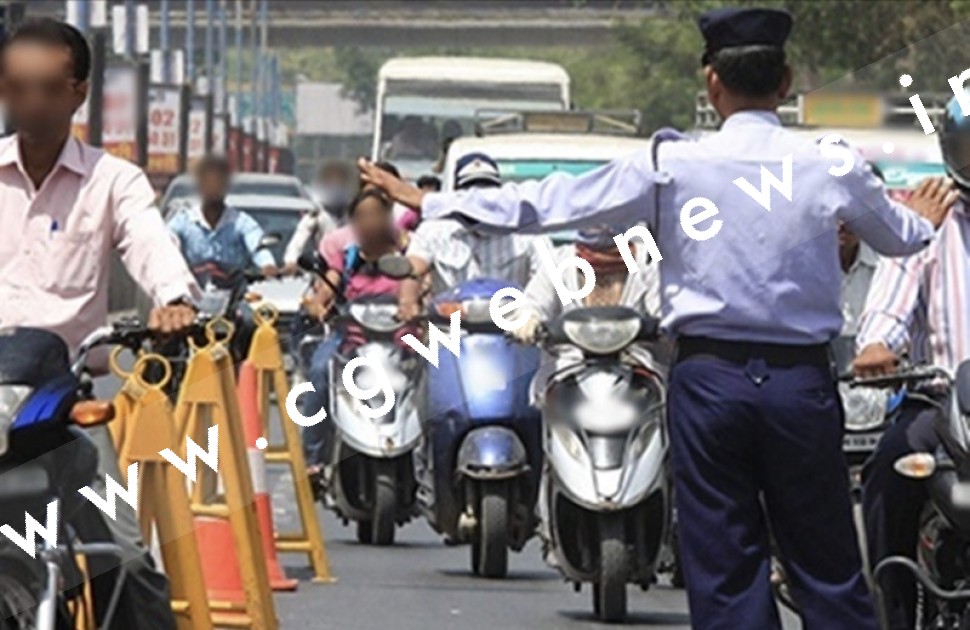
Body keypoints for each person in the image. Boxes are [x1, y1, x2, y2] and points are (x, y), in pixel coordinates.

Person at [359, 8, 955, 628]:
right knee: (826, 564)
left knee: (726, 566)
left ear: (712, 84)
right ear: (785, 82)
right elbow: (903, 237)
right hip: (798, 385)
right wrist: (923, 221)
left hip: (710, 382)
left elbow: (552, 202)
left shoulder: (672, 165)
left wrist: (432, 200)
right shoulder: (830, 162)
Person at [0, 19, 200, 630]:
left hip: (60, 411)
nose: (30, 102)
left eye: (47, 88)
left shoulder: (114, 181)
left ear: (78, 93)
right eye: (15, 86)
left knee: (126, 556)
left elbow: (150, 243)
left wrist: (174, 300)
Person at [854, 94, 970, 630]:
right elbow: (889, 302)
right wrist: (877, 346)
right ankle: (893, 611)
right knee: (888, 470)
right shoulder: (929, 219)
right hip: (941, 407)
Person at [299, 189, 412, 481]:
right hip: (351, 341)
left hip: (400, 344)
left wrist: (416, 307)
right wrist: (318, 305)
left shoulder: (407, 254)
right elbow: (326, 289)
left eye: (376, 214)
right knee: (320, 370)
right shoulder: (347, 258)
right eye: (362, 216)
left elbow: (419, 286)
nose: (369, 222)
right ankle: (314, 457)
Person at [396, 152, 553, 321]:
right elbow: (414, 267)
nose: (479, 199)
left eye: (487, 191)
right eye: (470, 192)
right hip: (449, 326)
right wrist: (408, 302)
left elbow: (549, 276)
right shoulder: (433, 230)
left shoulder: (527, 233)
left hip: (512, 328)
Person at [167, 155, 279, 281]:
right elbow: (166, 243)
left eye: (218, 183)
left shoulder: (241, 223)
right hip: (190, 291)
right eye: (208, 182)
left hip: (234, 290)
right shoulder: (183, 222)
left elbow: (257, 245)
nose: (213, 188)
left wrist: (267, 265)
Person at [282, 161, 351, 274]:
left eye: (339, 182)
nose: (336, 187)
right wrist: (291, 261)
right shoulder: (317, 214)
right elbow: (299, 240)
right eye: (332, 183)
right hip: (323, 268)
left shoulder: (353, 211)